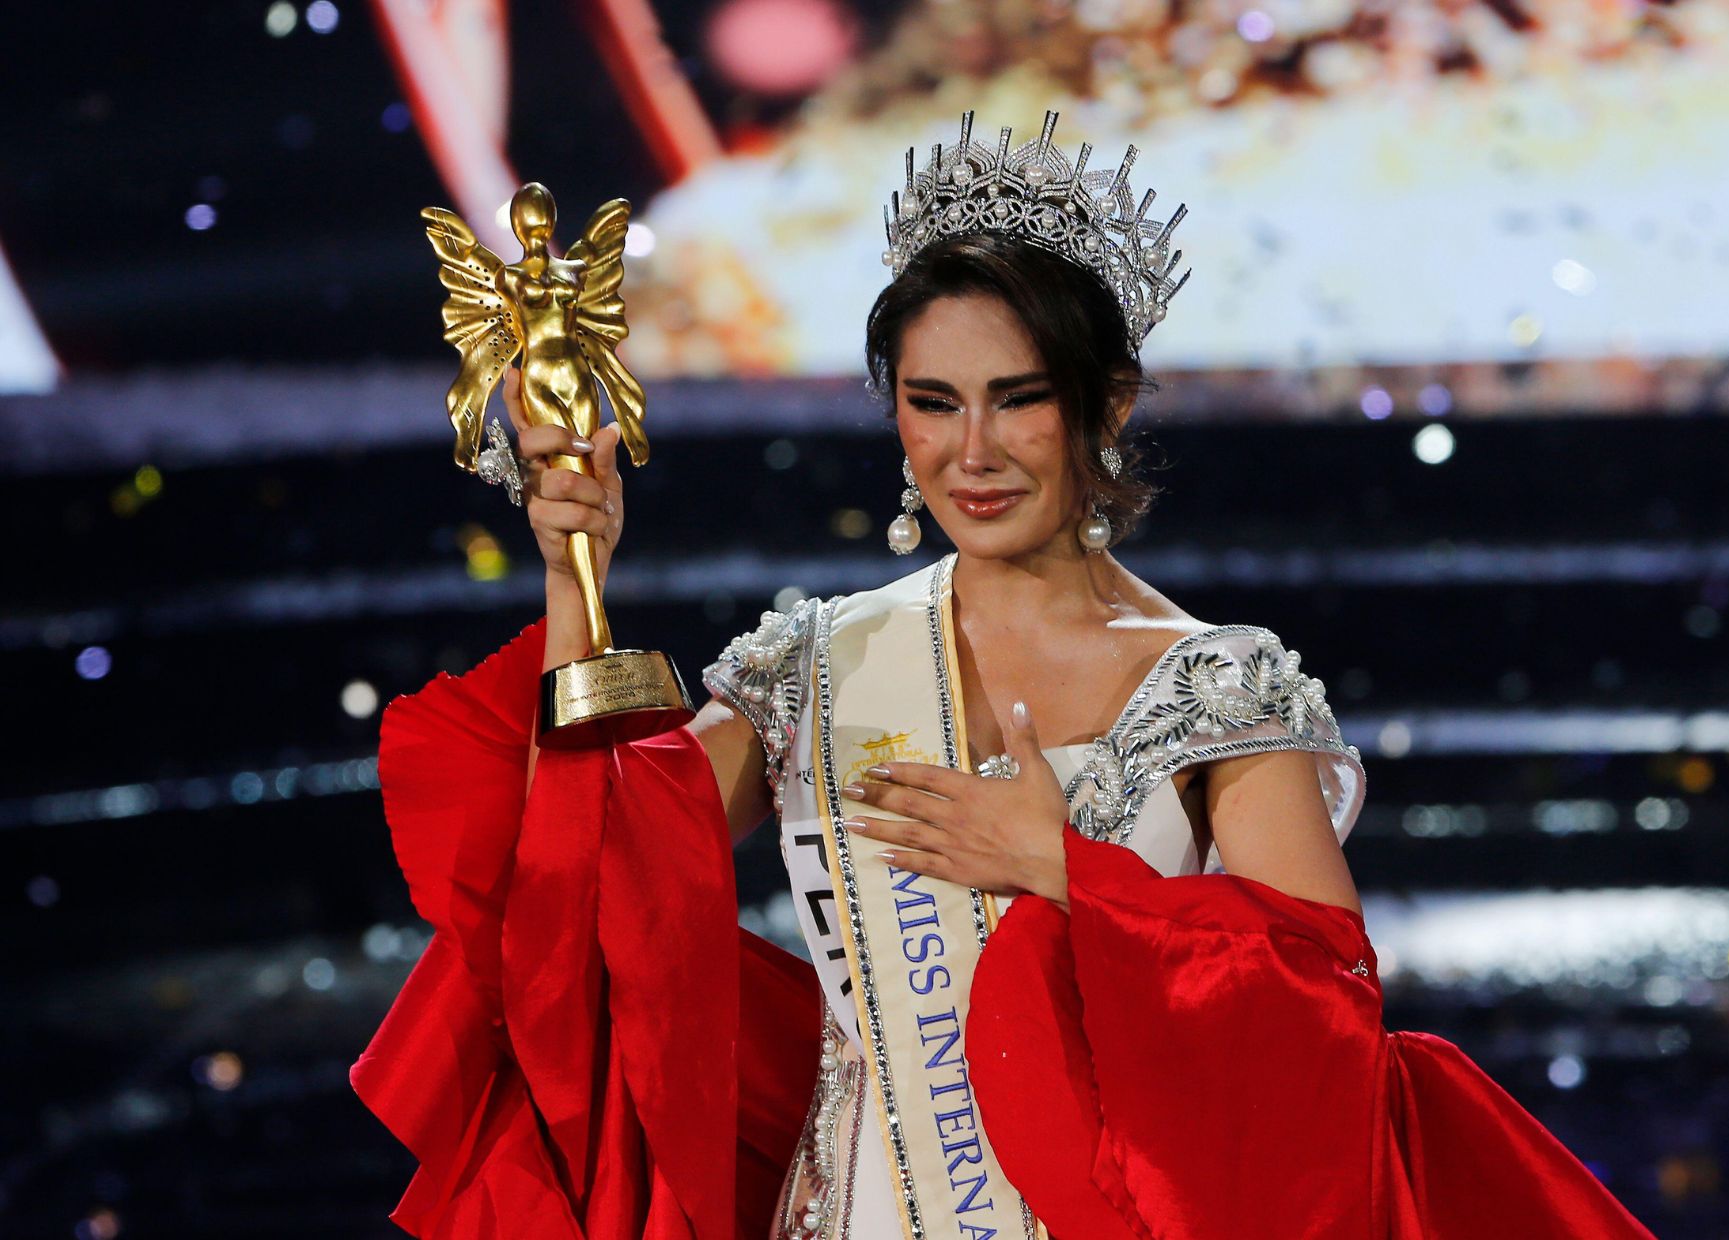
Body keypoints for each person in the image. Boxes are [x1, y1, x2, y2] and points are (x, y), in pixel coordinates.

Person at [353, 112, 1656, 1239]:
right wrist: (574, 568)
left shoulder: (1218, 691)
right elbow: (584, 892)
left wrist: (1070, 872)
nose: (970, 452)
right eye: (931, 402)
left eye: (1016, 397)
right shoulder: (817, 667)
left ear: (1109, 403)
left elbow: (1323, 1023)